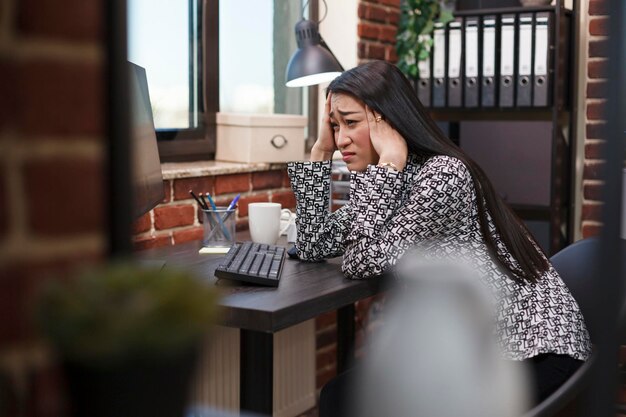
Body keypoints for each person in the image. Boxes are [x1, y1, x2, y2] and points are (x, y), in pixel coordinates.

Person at [286, 60, 591, 415]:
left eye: (351, 123)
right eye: (334, 126)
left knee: (347, 398)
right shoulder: (392, 177)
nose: (341, 140)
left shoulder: (443, 174)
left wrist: (388, 166)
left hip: (535, 354)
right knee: (340, 395)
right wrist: (319, 153)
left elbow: (359, 261)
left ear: (389, 121)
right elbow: (312, 245)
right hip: (485, 347)